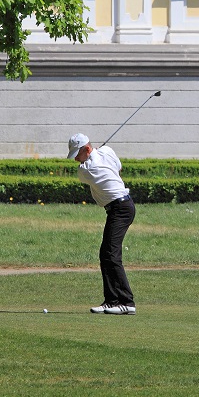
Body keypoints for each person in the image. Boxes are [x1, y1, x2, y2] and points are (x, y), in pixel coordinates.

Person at [68, 133, 137, 315]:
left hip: (120, 208)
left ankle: (126, 302)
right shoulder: (107, 151)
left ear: (87, 149)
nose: (76, 158)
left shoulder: (86, 170)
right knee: (106, 253)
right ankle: (112, 300)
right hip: (121, 206)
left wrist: (96, 155)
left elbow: (93, 166)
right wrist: (100, 153)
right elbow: (118, 168)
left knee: (111, 255)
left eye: (77, 154)